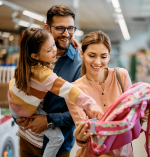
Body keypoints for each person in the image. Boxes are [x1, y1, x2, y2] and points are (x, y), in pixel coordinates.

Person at [14, 5, 99, 157]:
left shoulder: (79, 65)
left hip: (57, 147)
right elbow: (19, 83)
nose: (67, 34)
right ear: (47, 28)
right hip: (26, 138)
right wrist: (17, 114)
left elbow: (83, 111)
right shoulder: (32, 54)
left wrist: (49, 120)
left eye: (71, 28)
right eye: (60, 28)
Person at [66, 30, 148, 157]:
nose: (98, 62)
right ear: (82, 53)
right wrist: (81, 136)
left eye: (103, 57)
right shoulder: (74, 90)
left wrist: (140, 115)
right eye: (92, 55)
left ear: (109, 56)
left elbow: (132, 120)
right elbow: (85, 134)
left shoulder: (121, 76)